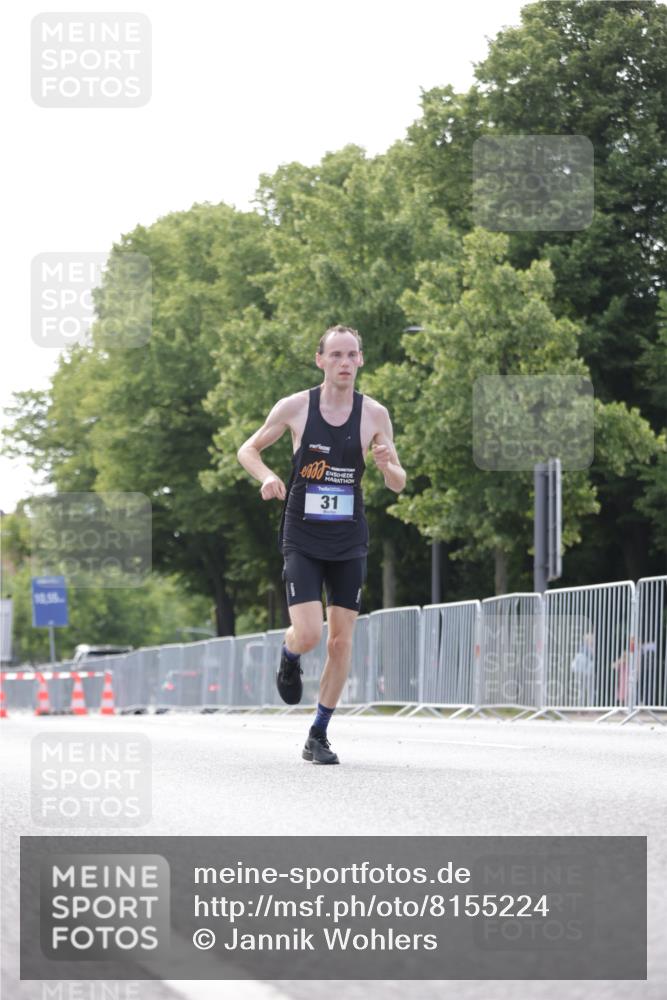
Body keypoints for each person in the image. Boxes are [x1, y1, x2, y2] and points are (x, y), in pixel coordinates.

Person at [237, 324, 406, 764]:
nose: (344, 362)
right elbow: (248, 450)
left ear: (361, 360)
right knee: (311, 634)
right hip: (303, 536)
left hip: (348, 538)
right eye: (336, 355)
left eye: (352, 355)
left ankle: (318, 734)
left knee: (341, 643)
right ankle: (290, 653)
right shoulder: (296, 407)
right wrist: (268, 477)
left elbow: (398, 482)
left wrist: (387, 466)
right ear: (320, 360)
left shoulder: (374, 414)